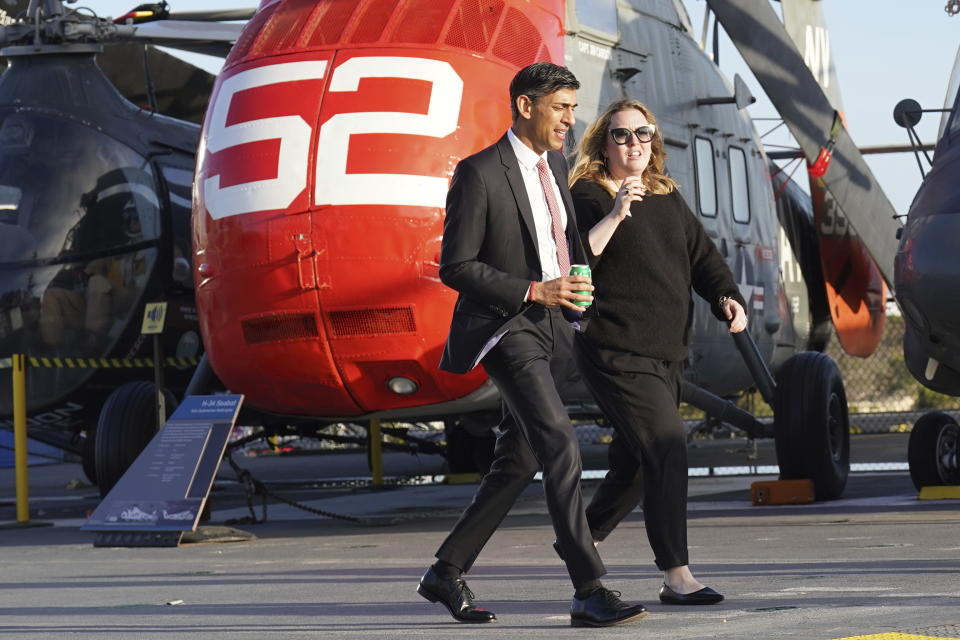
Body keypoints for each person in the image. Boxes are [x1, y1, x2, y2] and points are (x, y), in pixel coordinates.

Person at [417, 63, 648, 628]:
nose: (572, 118)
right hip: (506, 324)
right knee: (560, 445)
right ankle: (589, 588)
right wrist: (532, 289)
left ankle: (445, 571)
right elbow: (456, 266)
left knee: (516, 462)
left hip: (553, 327)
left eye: (574, 107)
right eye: (561, 107)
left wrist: (577, 294)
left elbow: (566, 244)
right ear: (526, 106)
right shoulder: (479, 173)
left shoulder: (557, 166)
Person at [567, 98, 748, 606]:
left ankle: (579, 540)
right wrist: (618, 211)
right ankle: (677, 575)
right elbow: (577, 257)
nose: (635, 144)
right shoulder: (587, 194)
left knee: (638, 463)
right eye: (622, 135)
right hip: (614, 349)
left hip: (665, 352)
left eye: (643, 134)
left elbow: (703, 257)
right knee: (667, 447)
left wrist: (725, 297)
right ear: (603, 143)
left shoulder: (666, 196)